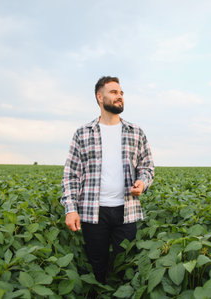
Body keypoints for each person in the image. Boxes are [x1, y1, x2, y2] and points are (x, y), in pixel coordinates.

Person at [60, 76, 154, 284]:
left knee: (125, 266)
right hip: (93, 212)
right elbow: (71, 174)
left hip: (126, 210)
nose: (119, 96)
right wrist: (71, 209)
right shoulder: (83, 133)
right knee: (97, 265)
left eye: (121, 93)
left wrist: (143, 182)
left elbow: (147, 167)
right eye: (113, 92)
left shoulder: (136, 132)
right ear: (99, 97)